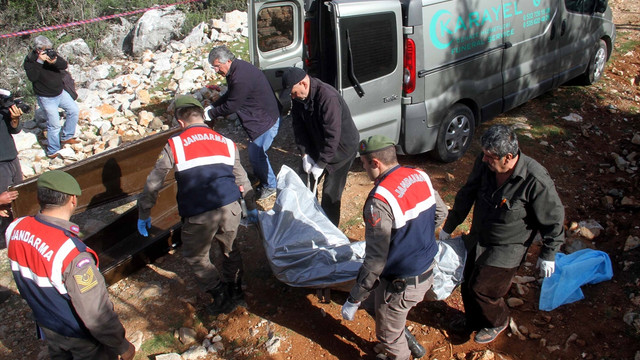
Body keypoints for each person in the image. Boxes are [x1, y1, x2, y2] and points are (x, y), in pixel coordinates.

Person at [440, 124, 565, 344]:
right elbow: (467, 193)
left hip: (509, 245)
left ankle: (497, 321)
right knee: (468, 283)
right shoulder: (485, 163)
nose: (485, 160)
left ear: (508, 157)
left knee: (484, 290)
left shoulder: (535, 180)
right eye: (485, 155)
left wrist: (549, 253)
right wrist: (450, 225)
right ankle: (472, 321)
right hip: (480, 235)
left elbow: (553, 219)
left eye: (490, 157)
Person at [137, 95, 258, 315]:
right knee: (231, 249)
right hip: (231, 207)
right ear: (202, 117)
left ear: (180, 122)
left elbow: (154, 181)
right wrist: (252, 206)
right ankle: (236, 289)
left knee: (196, 256)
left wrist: (144, 211)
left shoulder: (175, 144)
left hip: (199, 212)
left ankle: (220, 293)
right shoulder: (226, 142)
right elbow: (241, 178)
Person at [5, 170, 135, 360]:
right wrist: (120, 344)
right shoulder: (71, 254)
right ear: (72, 200)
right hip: (79, 337)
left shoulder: (15, 228)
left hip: (48, 326)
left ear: (40, 197)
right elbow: (94, 311)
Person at [341, 135, 448, 360]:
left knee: (388, 333)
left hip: (402, 283)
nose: (364, 169)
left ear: (375, 163)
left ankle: (397, 352)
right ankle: (408, 347)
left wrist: (354, 298)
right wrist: (418, 239)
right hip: (426, 270)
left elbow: (375, 260)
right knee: (387, 315)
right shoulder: (419, 175)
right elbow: (441, 213)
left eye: (363, 164)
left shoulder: (379, 201)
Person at [280, 67, 359, 227]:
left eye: (294, 93)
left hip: (341, 150)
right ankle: (308, 220)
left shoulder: (327, 97)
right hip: (318, 146)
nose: (293, 97)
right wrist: (305, 155)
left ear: (303, 83)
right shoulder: (299, 99)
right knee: (303, 185)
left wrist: (321, 164)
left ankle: (328, 233)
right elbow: (298, 127)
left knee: (331, 193)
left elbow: (332, 136)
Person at [205, 45, 281, 199]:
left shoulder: (240, 77)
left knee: (257, 155)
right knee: (255, 153)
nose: (216, 71)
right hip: (260, 117)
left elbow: (233, 105)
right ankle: (262, 177)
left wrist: (211, 114)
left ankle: (270, 185)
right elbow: (231, 95)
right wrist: (213, 105)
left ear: (226, 61)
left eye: (216, 66)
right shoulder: (236, 70)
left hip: (264, 121)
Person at [23, 35, 80, 159]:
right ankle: (53, 150)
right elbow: (32, 77)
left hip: (59, 92)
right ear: (38, 50)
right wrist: (40, 62)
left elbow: (63, 65)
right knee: (54, 125)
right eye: (44, 49)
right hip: (46, 97)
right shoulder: (30, 60)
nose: (48, 51)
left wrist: (54, 61)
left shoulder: (51, 54)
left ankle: (67, 137)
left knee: (74, 111)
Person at [1, 101, 24, 244]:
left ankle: (20, 232)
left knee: (18, 196)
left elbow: (14, 129)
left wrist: (15, 119)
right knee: (3, 204)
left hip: (11, 157)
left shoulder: (2, 105)